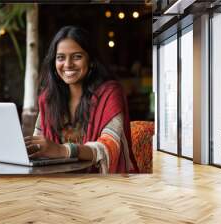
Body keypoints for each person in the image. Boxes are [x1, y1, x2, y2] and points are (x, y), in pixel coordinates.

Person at [24, 26, 139, 173]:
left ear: (91, 61)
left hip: (107, 186)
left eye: (77, 56)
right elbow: (39, 141)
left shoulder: (110, 93)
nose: (68, 64)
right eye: (60, 57)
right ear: (54, 63)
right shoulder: (48, 98)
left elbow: (109, 147)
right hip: (60, 183)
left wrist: (62, 150)